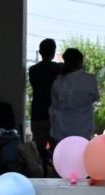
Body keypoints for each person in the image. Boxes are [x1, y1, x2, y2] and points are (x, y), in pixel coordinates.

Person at [49, 48, 100, 144]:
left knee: (62, 158)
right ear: (80, 62)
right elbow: (95, 97)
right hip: (84, 130)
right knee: (81, 158)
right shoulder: (89, 80)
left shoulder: (58, 82)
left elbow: (54, 103)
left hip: (61, 130)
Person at [28, 39, 63, 168]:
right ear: (53, 52)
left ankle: (41, 172)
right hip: (54, 115)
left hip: (37, 113)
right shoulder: (58, 68)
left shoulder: (33, 70)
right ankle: (56, 172)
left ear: (40, 52)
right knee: (57, 149)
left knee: (38, 150)